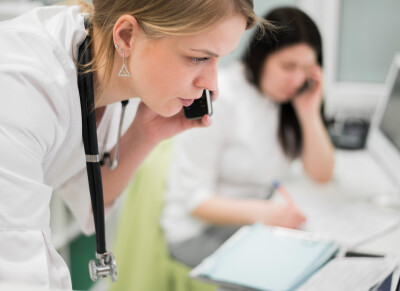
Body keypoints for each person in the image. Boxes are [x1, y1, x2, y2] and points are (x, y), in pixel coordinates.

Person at [0, 0, 269, 288]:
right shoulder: (19, 92)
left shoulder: (111, 65)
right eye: (199, 58)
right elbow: (18, 274)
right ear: (126, 35)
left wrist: (144, 134)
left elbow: (90, 200)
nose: (211, 84)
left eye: (220, 58)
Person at [161, 7, 335, 268]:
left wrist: (308, 112)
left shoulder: (286, 102)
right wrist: (266, 214)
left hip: (254, 219)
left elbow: (321, 174)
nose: (298, 79)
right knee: (291, 267)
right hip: (198, 232)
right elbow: (195, 201)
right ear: (262, 57)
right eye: (289, 66)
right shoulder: (223, 99)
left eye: (307, 69)